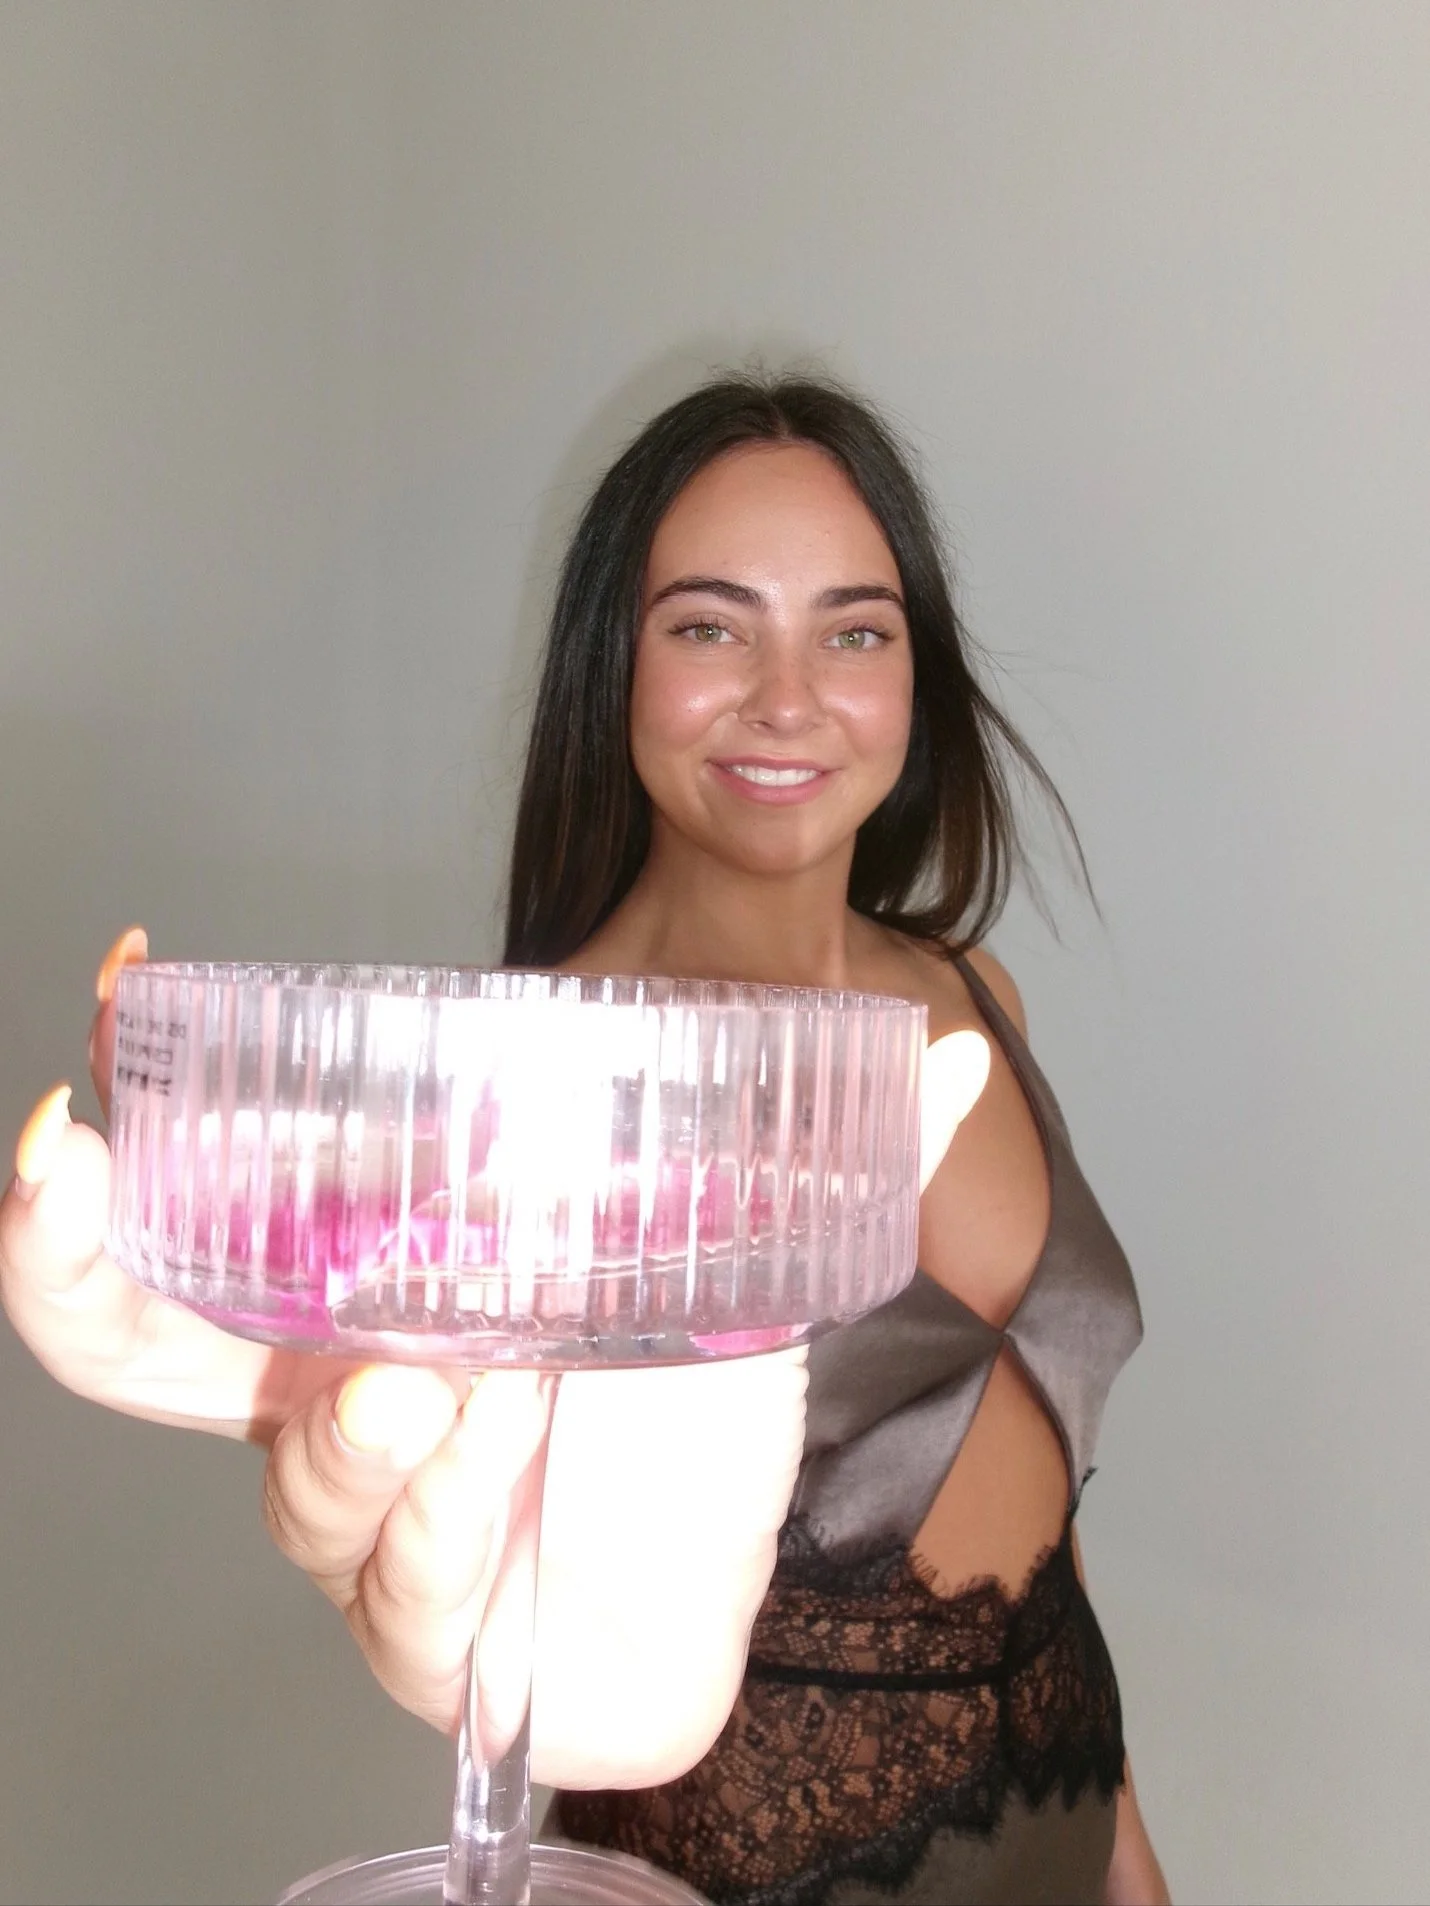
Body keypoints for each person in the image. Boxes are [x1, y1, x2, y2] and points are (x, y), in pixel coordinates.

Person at [2, 373, 1168, 1905]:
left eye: (853, 628)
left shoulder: (973, 993)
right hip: (744, 1867)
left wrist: (1134, 1861)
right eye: (707, 625)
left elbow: (1043, 1539)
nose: (787, 694)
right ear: (609, 671)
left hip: (1064, 1816)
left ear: (913, 674)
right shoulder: (522, 1086)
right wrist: (299, 1375)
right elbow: (435, 1471)